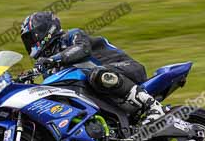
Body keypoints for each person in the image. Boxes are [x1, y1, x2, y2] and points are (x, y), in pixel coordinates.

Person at [19, 11, 167, 124]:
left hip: (127, 69)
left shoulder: (71, 36)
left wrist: (53, 60)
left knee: (97, 74)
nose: (30, 42)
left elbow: (82, 49)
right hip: (106, 93)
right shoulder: (49, 67)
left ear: (45, 31)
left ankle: (153, 107)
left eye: (32, 37)